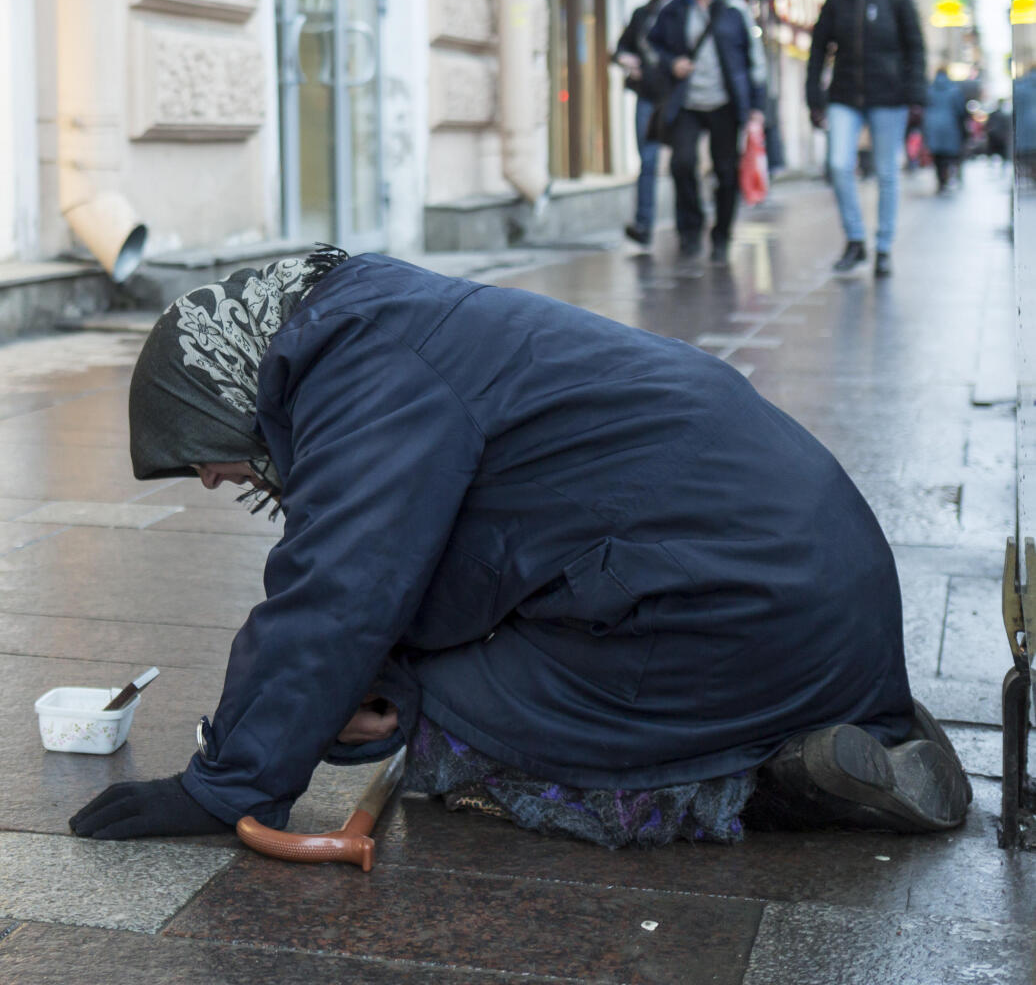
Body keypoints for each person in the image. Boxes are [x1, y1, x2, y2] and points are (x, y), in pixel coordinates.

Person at [68, 250, 971, 847]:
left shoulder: (368, 377)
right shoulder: (378, 324)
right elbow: (453, 558)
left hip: (740, 617)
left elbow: (338, 588)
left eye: (203, 459)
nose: (219, 482)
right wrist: (371, 673)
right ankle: (843, 728)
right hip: (800, 596)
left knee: (446, 725)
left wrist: (227, 785)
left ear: (224, 395)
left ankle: (773, 780)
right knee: (410, 681)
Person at [806, 0, 926, 276]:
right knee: (840, 165)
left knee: (887, 173)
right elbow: (817, 52)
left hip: (889, 98)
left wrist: (916, 97)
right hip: (845, 97)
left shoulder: (898, 0)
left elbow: (915, 50)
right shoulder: (836, 2)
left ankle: (884, 247)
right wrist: (814, 98)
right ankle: (856, 240)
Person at [645, 0, 766, 267]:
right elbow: (653, 47)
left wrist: (757, 105)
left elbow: (755, 62)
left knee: (726, 172)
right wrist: (673, 64)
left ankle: (722, 236)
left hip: (725, 103)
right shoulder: (673, 11)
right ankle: (691, 228)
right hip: (686, 103)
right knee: (681, 165)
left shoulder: (734, 12)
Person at [615, 0, 684, 247]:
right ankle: (644, 224)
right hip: (648, 96)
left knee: (683, 163)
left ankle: (687, 225)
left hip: (680, 97)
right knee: (648, 161)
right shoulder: (643, 13)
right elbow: (621, 47)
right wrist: (627, 59)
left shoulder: (688, 14)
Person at [922, 68, 968, 193]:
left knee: (937, 155)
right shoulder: (954, 90)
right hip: (950, 125)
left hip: (932, 125)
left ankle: (941, 180)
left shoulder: (929, 90)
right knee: (950, 154)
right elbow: (961, 110)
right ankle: (948, 177)